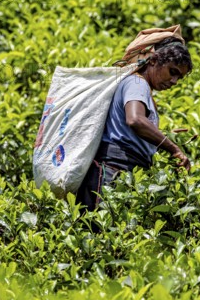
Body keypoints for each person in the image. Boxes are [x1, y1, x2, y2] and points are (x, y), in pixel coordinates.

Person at [75, 37, 193, 212]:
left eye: (179, 77)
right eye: (172, 71)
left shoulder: (138, 85)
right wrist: (173, 147)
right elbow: (135, 120)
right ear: (153, 60)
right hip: (113, 170)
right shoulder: (137, 83)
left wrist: (165, 135)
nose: (174, 81)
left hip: (123, 170)